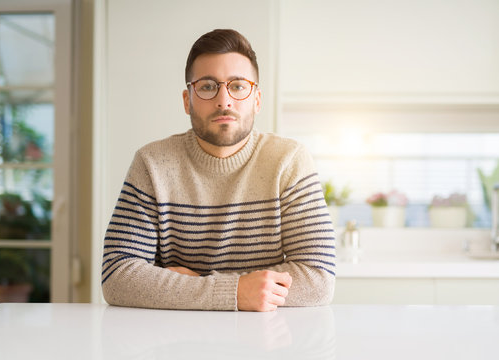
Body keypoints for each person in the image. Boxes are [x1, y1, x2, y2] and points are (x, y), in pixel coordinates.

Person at [101, 29, 336, 311]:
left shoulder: (288, 161)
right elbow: (116, 275)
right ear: (187, 100)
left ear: (257, 100)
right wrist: (235, 292)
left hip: (265, 346)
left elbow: (318, 279)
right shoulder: (151, 163)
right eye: (208, 86)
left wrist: (200, 284)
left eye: (238, 86)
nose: (224, 100)